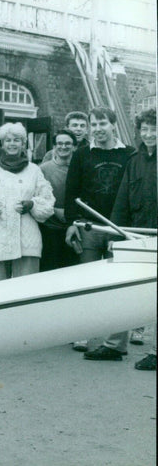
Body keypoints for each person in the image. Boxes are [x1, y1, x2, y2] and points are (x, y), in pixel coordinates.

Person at [84, 108, 156, 365]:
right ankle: (115, 345)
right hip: (135, 234)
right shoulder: (134, 160)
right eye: (145, 129)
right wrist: (117, 231)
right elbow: (123, 200)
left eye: (154, 129)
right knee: (127, 292)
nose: (149, 134)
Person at [64, 106, 135, 352]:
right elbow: (71, 193)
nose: (97, 129)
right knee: (87, 283)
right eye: (93, 125)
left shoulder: (129, 154)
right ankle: (83, 332)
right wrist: (72, 224)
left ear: (113, 125)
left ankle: (116, 341)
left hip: (120, 228)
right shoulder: (82, 154)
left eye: (102, 124)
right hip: (89, 226)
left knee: (120, 287)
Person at [0, 122, 55, 281]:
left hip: (26, 240)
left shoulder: (34, 170)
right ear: (2, 144)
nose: (12, 144)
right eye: (8, 140)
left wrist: (32, 204)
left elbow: (47, 200)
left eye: (16, 140)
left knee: (25, 290)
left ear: (23, 143)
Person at [38, 129, 81, 271]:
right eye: (59, 143)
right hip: (50, 229)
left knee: (73, 271)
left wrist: (71, 215)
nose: (63, 147)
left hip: (75, 228)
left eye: (68, 143)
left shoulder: (80, 168)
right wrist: (55, 211)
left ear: (74, 146)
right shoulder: (43, 170)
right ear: (54, 147)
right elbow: (37, 197)